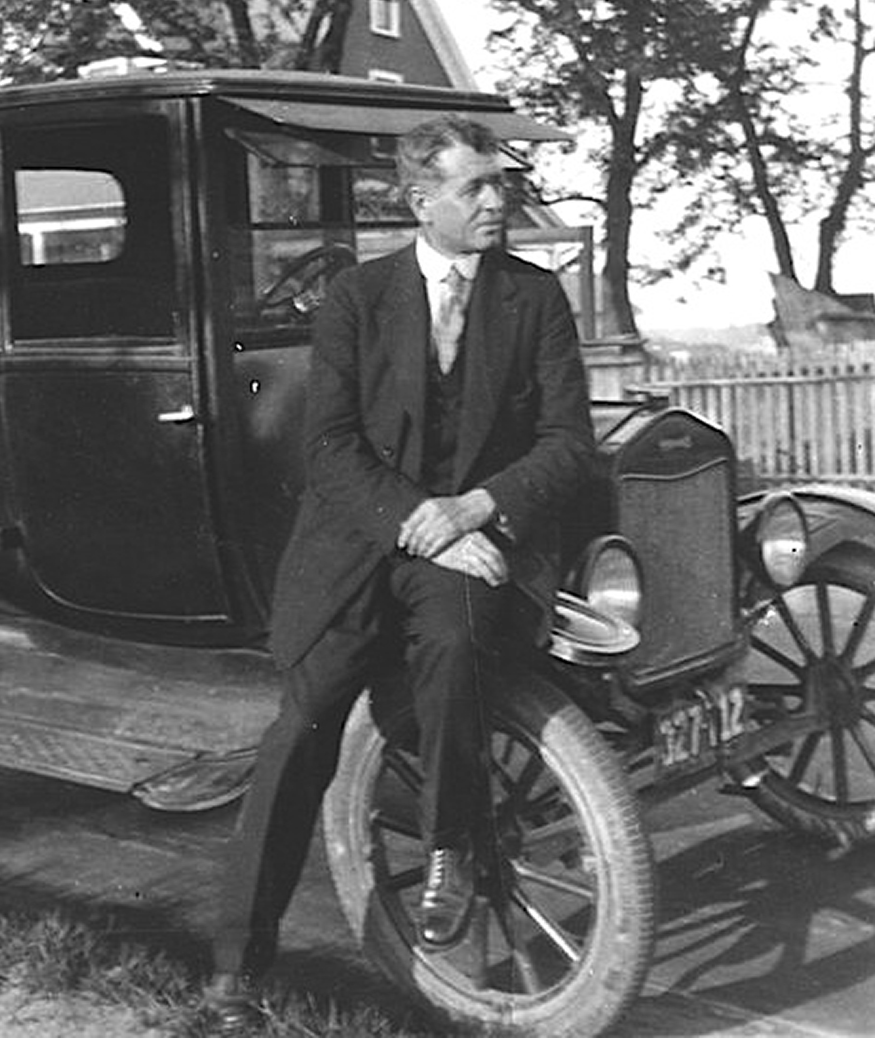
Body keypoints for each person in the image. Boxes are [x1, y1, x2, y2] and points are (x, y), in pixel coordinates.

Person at [208, 114, 596, 1029]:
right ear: (422, 201)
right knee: (302, 725)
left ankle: (451, 849)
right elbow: (330, 448)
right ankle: (234, 968)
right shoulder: (358, 296)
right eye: (476, 188)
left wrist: (474, 509)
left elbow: (568, 444)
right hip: (360, 544)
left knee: (457, 651)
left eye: (500, 184)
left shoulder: (533, 297)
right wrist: (421, 524)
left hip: (471, 539)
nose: (498, 201)